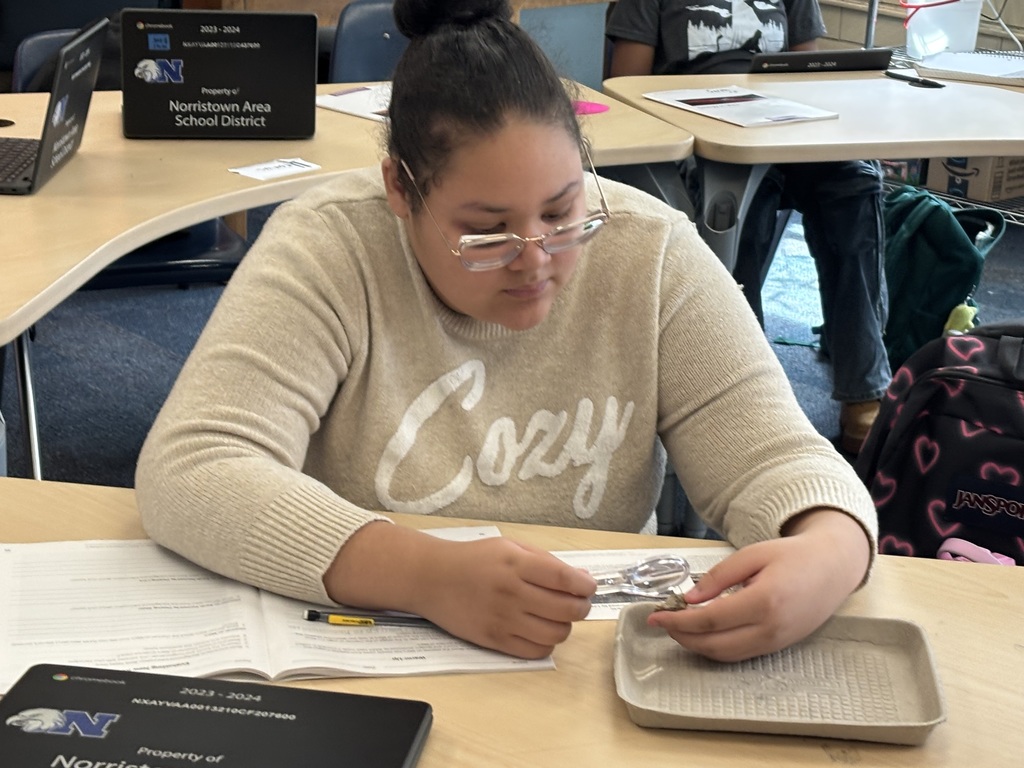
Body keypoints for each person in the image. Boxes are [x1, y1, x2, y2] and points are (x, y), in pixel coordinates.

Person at [135, 0, 876, 664]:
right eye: (485, 232)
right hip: (367, 643)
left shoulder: (650, 249)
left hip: (588, 660)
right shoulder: (332, 246)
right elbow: (195, 465)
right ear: (399, 188)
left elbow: (777, 456)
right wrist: (421, 574)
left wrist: (830, 550)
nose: (537, 261)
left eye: (561, 212)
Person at [606, 0, 892, 455]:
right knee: (746, 209)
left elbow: (810, 71)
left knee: (853, 183)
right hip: (701, 133)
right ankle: (744, 394)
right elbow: (624, 87)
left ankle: (864, 389)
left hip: (782, 124)